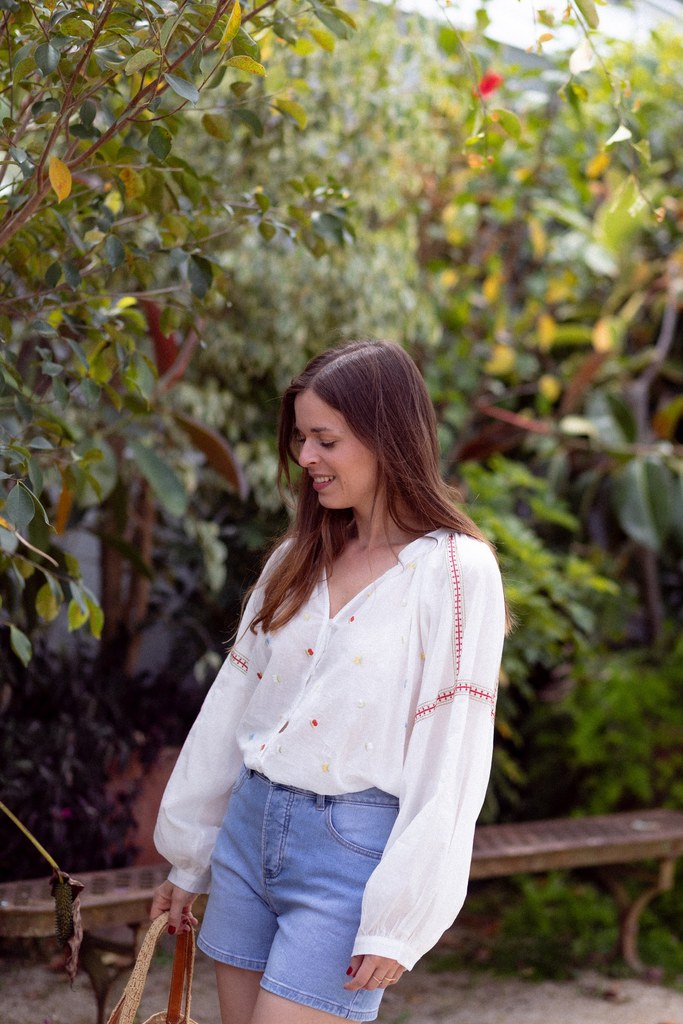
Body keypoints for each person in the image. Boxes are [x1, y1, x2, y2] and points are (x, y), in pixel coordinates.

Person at [150, 339, 507, 1024]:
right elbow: (232, 707)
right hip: (248, 835)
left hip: (349, 855)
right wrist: (188, 857)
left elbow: (453, 749)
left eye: (325, 439)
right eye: (302, 439)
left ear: (387, 438)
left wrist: (401, 917)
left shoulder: (456, 573)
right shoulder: (295, 557)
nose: (305, 457)